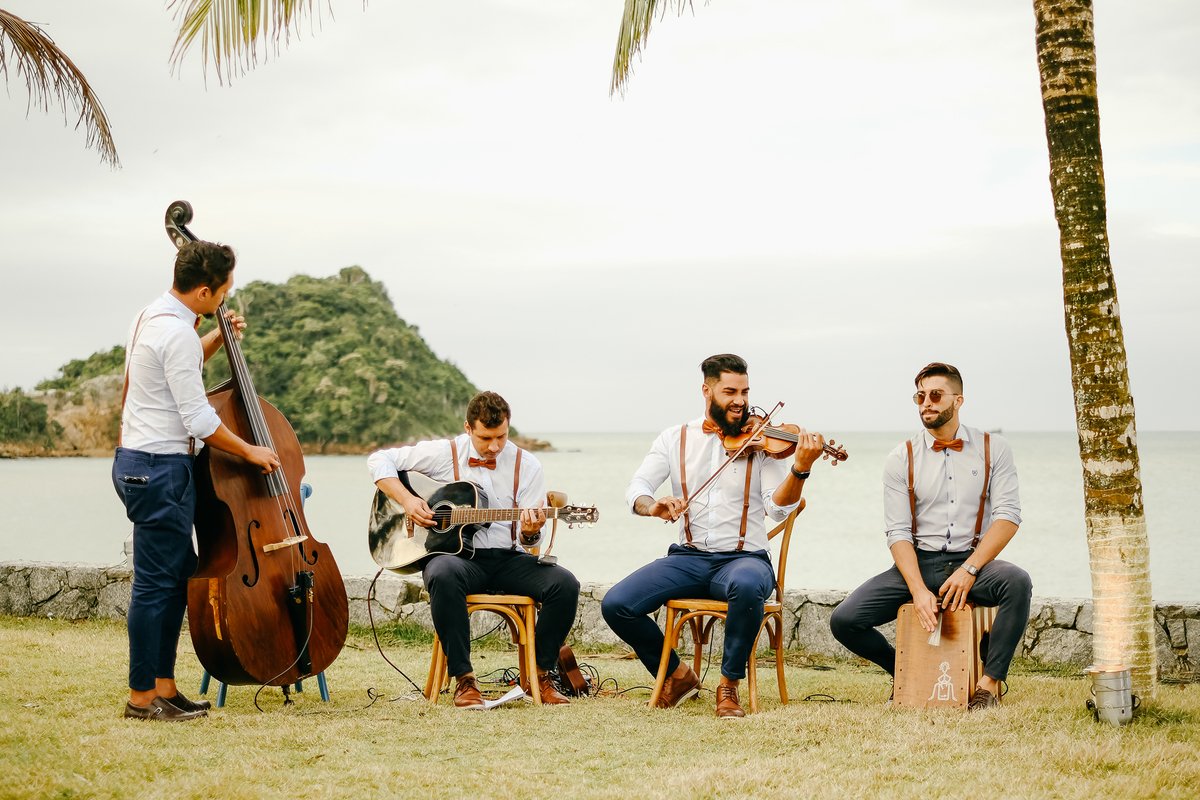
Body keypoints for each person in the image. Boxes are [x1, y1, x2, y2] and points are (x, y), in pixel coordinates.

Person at [601, 354, 824, 718]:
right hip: (687, 559)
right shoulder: (675, 438)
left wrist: (799, 469)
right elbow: (638, 486)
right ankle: (677, 674)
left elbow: (778, 508)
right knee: (616, 604)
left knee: (748, 585)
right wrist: (652, 505)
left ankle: (729, 686)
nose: (740, 400)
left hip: (744, 560)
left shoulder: (764, 441)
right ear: (707, 390)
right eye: (730, 391)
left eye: (745, 391)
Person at [113, 240, 281, 722]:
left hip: (146, 462)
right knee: (155, 585)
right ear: (206, 291)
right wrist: (251, 450)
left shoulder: (152, 317)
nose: (226, 300)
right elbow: (199, 419)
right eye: (224, 292)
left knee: (171, 580)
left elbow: (177, 370)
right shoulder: (177, 334)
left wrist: (216, 339)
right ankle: (142, 696)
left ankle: (162, 687)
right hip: (159, 466)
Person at [829, 362, 1032, 710]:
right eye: (920, 396)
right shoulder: (900, 457)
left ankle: (989, 684)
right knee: (845, 620)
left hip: (973, 561)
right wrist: (918, 589)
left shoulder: (993, 449)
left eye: (935, 395)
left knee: (1017, 582)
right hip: (919, 564)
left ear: (958, 399)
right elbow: (898, 532)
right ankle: (906, 671)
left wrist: (970, 568)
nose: (926, 403)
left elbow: (1008, 517)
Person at [367, 391, 580, 709]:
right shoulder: (442, 453)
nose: (494, 446)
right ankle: (465, 681)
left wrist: (531, 531)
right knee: (441, 572)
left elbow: (529, 545)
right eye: (485, 438)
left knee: (565, 584)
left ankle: (540, 675)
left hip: (508, 558)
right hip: (458, 560)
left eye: (501, 436)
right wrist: (409, 501)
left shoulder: (528, 465)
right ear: (468, 428)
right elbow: (378, 460)